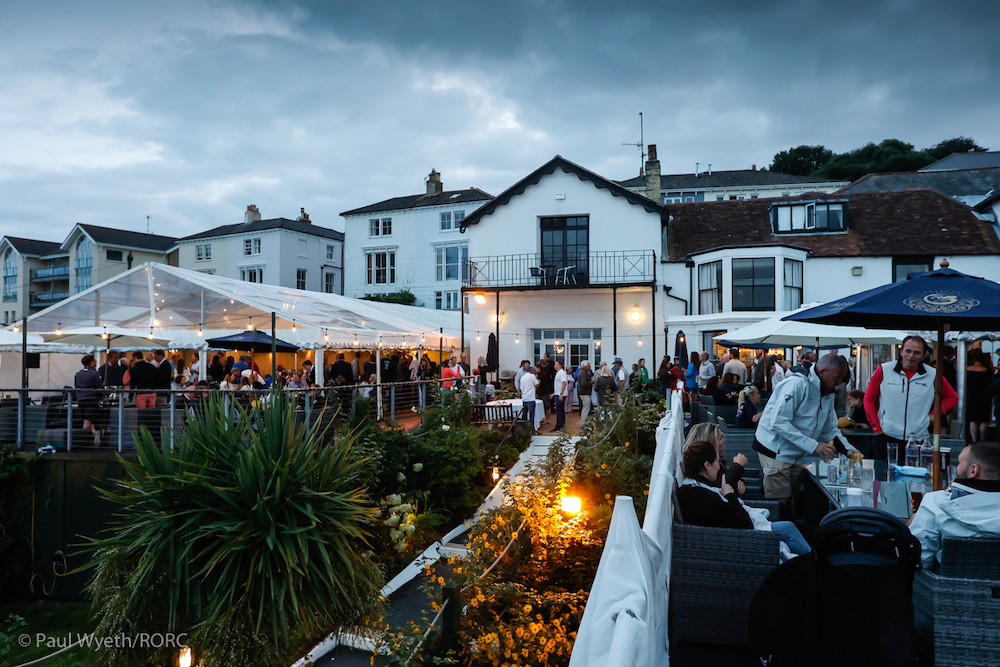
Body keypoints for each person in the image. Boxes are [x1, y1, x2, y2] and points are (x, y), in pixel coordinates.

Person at [754, 353, 860, 516]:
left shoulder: (827, 392)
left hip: (796, 452)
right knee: (781, 502)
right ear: (822, 371)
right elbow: (778, 422)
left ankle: (792, 535)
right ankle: (778, 538)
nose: (840, 383)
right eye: (837, 378)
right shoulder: (796, 384)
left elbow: (830, 428)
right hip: (774, 449)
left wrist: (848, 450)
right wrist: (814, 445)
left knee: (792, 498)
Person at [677, 441, 812, 556]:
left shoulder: (693, 489)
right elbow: (744, 523)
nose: (719, 467)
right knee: (788, 527)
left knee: (787, 525)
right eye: (717, 462)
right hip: (741, 544)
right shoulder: (703, 498)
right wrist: (729, 495)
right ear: (707, 465)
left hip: (726, 540)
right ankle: (815, 562)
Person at [863, 335, 959, 464]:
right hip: (886, 436)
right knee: (883, 479)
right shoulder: (884, 370)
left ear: (923, 355)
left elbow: (952, 397)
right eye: (908, 351)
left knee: (915, 480)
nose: (911, 355)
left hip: (917, 438)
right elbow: (869, 398)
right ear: (901, 351)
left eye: (917, 352)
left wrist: (933, 415)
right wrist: (876, 428)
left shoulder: (932, 374)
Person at [908, 442, 1000, 570]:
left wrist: (909, 526)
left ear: (973, 470)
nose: (956, 468)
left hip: (941, 587)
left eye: (959, 462)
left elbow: (917, 558)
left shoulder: (935, 503)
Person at [685, 422, 747, 495]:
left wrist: (737, 480)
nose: (723, 440)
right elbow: (718, 485)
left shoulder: (718, 461)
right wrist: (737, 466)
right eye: (720, 439)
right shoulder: (698, 469)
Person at [965, 349, 993, 443]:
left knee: (973, 420)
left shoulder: (967, 370)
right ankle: (982, 439)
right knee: (983, 420)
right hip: (984, 397)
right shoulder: (988, 371)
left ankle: (974, 440)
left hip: (971, 397)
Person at [74, 355, 103, 444]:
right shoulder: (95, 373)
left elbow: (76, 385)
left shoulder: (78, 374)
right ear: (91, 362)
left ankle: (94, 433)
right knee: (88, 419)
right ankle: (83, 440)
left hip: (81, 399)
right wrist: (102, 397)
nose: (96, 362)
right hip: (92, 399)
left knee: (87, 418)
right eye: (94, 361)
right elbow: (99, 387)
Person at [519, 365, 539, 431]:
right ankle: (531, 429)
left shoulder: (522, 377)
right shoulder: (532, 376)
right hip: (531, 398)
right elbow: (537, 384)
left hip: (524, 398)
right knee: (532, 415)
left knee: (524, 414)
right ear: (531, 371)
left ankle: (524, 428)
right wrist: (537, 379)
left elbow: (521, 388)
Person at [552, 361, 568, 432]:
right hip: (558, 393)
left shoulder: (562, 373)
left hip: (561, 394)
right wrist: (555, 393)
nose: (554, 365)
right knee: (561, 410)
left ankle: (558, 426)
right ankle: (561, 424)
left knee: (559, 410)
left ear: (559, 365)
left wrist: (561, 394)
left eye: (555, 364)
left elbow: (564, 383)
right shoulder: (559, 373)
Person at [577, 360, 593, 427]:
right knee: (586, 409)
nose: (590, 366)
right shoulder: (583, 373)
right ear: (586, 366)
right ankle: (583, 424)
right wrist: (591, 382)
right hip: (585, 393)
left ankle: (583, 423)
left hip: (583, 393)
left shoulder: (583, 372)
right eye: (589, 365)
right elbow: (584, 383)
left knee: (585, 408)